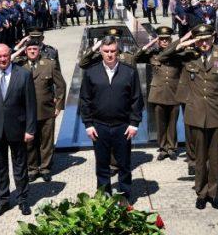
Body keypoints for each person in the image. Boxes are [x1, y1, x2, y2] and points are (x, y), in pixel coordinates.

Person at [161, 25, 218, 209]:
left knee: (214, 156)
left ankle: (213, 192)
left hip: (217, 112)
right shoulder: (189, 56)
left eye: (207, 39)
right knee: (199, 157)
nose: (203, 43)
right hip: (195, 113)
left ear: (213, 38)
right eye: (200, 39)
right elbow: (163, 56)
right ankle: (201, 193)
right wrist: (184, 41)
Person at [79, 35, 144, 200]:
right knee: (102, 165)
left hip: (122, 127)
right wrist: (88, 124)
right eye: (106, 51)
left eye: (113, 51)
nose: (109, 54)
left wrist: (134, 124)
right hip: (99, 126)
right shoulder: (91, 72)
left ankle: (125, 196)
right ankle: (103, 195)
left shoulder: (129, 72)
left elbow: (137, 99)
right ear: (100, 51)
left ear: (118, 51)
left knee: (124, 165)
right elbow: (85, 100)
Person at [0, 44, 36, 216]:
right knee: (0, 167)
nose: (3, 59)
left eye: (5, 55)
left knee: (20, 167)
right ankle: (3, 200)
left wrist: (30, 129)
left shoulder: (24, 74)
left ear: (11, 55)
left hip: (18, 128)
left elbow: (31, 105)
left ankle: (23, 199)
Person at [13, 39, 66, 182]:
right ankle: (32, 169)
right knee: (29, 142)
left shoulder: (49, 64)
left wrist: (59, 106)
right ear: (25, 51)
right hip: (26, 112)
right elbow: (0, 63)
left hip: (46, 110)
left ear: (39, 50)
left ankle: (45, 168)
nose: (32, 51)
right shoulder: (19, 66)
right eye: (29, 49)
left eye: (35, 49)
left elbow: (61, 86)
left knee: (46, 141)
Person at [136, 26, 180, 159]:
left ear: (170, 40)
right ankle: (162, 148)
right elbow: (136, 58)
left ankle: (171, 148)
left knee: (173, 122)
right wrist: (148, 45)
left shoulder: (177, 54)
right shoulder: (152, 54)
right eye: (161, 39)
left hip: (174, 92)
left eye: (167, 39)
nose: (164, 42)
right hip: (158, 93)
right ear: (158, 41)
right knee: (160, 123)